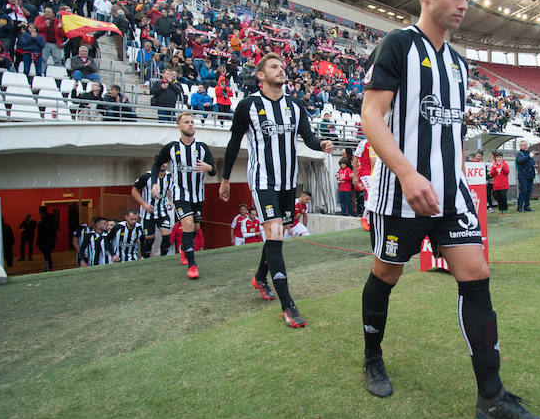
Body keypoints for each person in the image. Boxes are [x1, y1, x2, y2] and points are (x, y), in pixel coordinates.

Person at [357, 0, 540, 419]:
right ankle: (372, 355)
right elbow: (371, 116)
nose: (464, 4)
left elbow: (449, 132)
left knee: (476, 273)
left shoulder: (461, 66)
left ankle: (492, 397)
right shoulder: (398, 45)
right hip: (399, 196)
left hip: (451, 194)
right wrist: (406, 173)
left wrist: (453, 178)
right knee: (386, 273)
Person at [219, 53, 334, 325]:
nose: (281, 70)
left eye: (282, 66)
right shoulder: (248, 105)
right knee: (274, 232)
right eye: (274, 67)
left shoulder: (295, 106)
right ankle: (289, 306)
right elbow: (234, 142)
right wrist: (224, 178)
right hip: (263, 182)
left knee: (276, 234)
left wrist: (322, 145)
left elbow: (309, 137)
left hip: (287, 183)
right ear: (261, 75)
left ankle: (260, 277)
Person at [151, 113, 216, 279]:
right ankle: (192, 265)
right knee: (186, 223)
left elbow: (213, 169)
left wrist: (209, 167)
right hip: (180, 194)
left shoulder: (202, 148)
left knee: (194, 227)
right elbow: (157, 164)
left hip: (198, 196)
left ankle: (183, 249)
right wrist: (154, 183)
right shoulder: (171, 148)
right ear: (179, 126)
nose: (190, 125)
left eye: (192, 122)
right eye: (186, 122)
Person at [131, 164, 173, 258]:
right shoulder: (146, 176)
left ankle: (163, 258)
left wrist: (170, 200)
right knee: (149, 240)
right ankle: (145, 258)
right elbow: (134, 191)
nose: (163, 165)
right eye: (161, 163)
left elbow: (168, 189)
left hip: (162, 212)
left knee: (167, 237)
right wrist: (144, 204)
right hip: (148, 213)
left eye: (165, 163)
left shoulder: (170, 176)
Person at [353, 139, 374, 230]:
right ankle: (364, 218)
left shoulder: (378, 141)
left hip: (374, 173)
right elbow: (355, 159)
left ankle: (369, 220)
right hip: (365, 173)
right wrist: (355, 176)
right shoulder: (364, 142)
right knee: (372, 193)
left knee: (370, 195)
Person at [515, 140, 535, 212]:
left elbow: (531, 162)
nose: (526, 146)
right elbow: (520, 161)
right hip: (523, 175)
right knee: (523, 191)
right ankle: (520, 207)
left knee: (529, 191)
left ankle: (527, 206)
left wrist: (534, 165)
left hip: (530, 175)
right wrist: (529, 157)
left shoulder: (528, 154)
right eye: (524, 145)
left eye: (526, 145)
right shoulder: (519, 154)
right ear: (520, 147)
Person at [36, 205, 57, 272]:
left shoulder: (44, 221)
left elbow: (41, 231)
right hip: (48, 240)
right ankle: (49, 265)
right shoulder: (49, 220)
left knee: (46, 254)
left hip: (45, 241)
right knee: (47, 254)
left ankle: (49, 266)